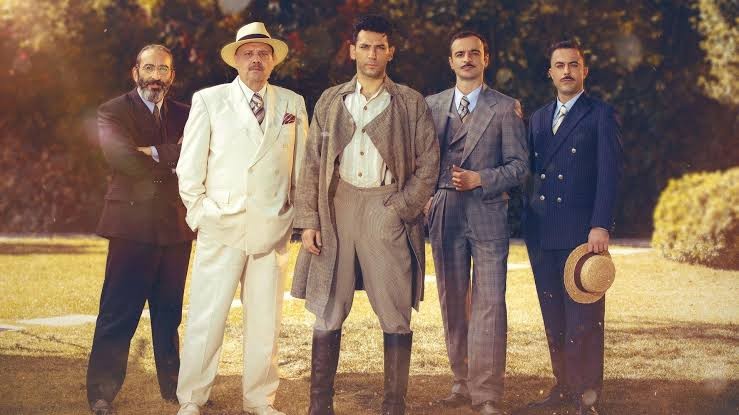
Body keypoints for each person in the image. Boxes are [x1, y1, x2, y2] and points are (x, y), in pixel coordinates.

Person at [290, 14, 439, 415]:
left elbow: (429, 164)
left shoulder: (409, 102)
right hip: (336, 206)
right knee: (329, 305)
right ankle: (320, 406)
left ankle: (394, 406)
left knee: (394, 307)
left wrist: (401, 208)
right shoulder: (330, 100)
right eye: (365, 46)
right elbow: (312, 162)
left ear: (391, 52)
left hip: (385, 206)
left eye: (379, 47)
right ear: (352, 50)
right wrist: (309, 220)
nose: (372, 54)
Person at [174, 22, 308, 415]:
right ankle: (191, 399)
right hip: (221, 226)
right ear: (235, 60)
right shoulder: (209, 101)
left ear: (273, 61)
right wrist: (201, 214)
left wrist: (294, 216)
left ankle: (260, 400)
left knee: (266, 321)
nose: (256, 59)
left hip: (271, 228)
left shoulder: (292, 103)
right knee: (207, 317)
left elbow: (303, 167)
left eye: (263, 53)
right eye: (248, 53)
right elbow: (189, 168)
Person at [425, 30, 529, 415]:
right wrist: (427, 199)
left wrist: (480, 178)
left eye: (474, 53)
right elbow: (421, 161)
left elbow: (519, 167)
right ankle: (461, 383)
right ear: (450, 61)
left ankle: (486, 394)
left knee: (490, 302)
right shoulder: (431, 105)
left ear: (486, 59)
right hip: (445, 209)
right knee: (452, 297)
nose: (467, 59)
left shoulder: (505, 107)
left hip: (487, 212)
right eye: (460, 54)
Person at [87, 44, 194, 415]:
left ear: (172, 76)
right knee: (118, 313)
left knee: (169, 314)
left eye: (163, 69)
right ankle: (101, 393)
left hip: (175, 227)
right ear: (136, 73)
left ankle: (174, 389)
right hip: (130, 226)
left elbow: (199, 157)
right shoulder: (113, 111)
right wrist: (172, 154)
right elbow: (121, 158)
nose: (155, 76)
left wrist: (149, 151)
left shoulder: (188, 113)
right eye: (149, 68)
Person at [522, 39, 623, 415]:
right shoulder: (537, 118)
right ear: (550, 72)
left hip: (582, 234)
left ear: (584, 71)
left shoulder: (601, 114)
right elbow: (530, 173)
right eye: (560, 65)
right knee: (554, 317)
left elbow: (609, 175)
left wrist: (601, 225)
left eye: (573, 65)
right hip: (542, 232)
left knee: (585, 320)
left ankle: (587, 397)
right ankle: (563, 388)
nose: (567, 71)